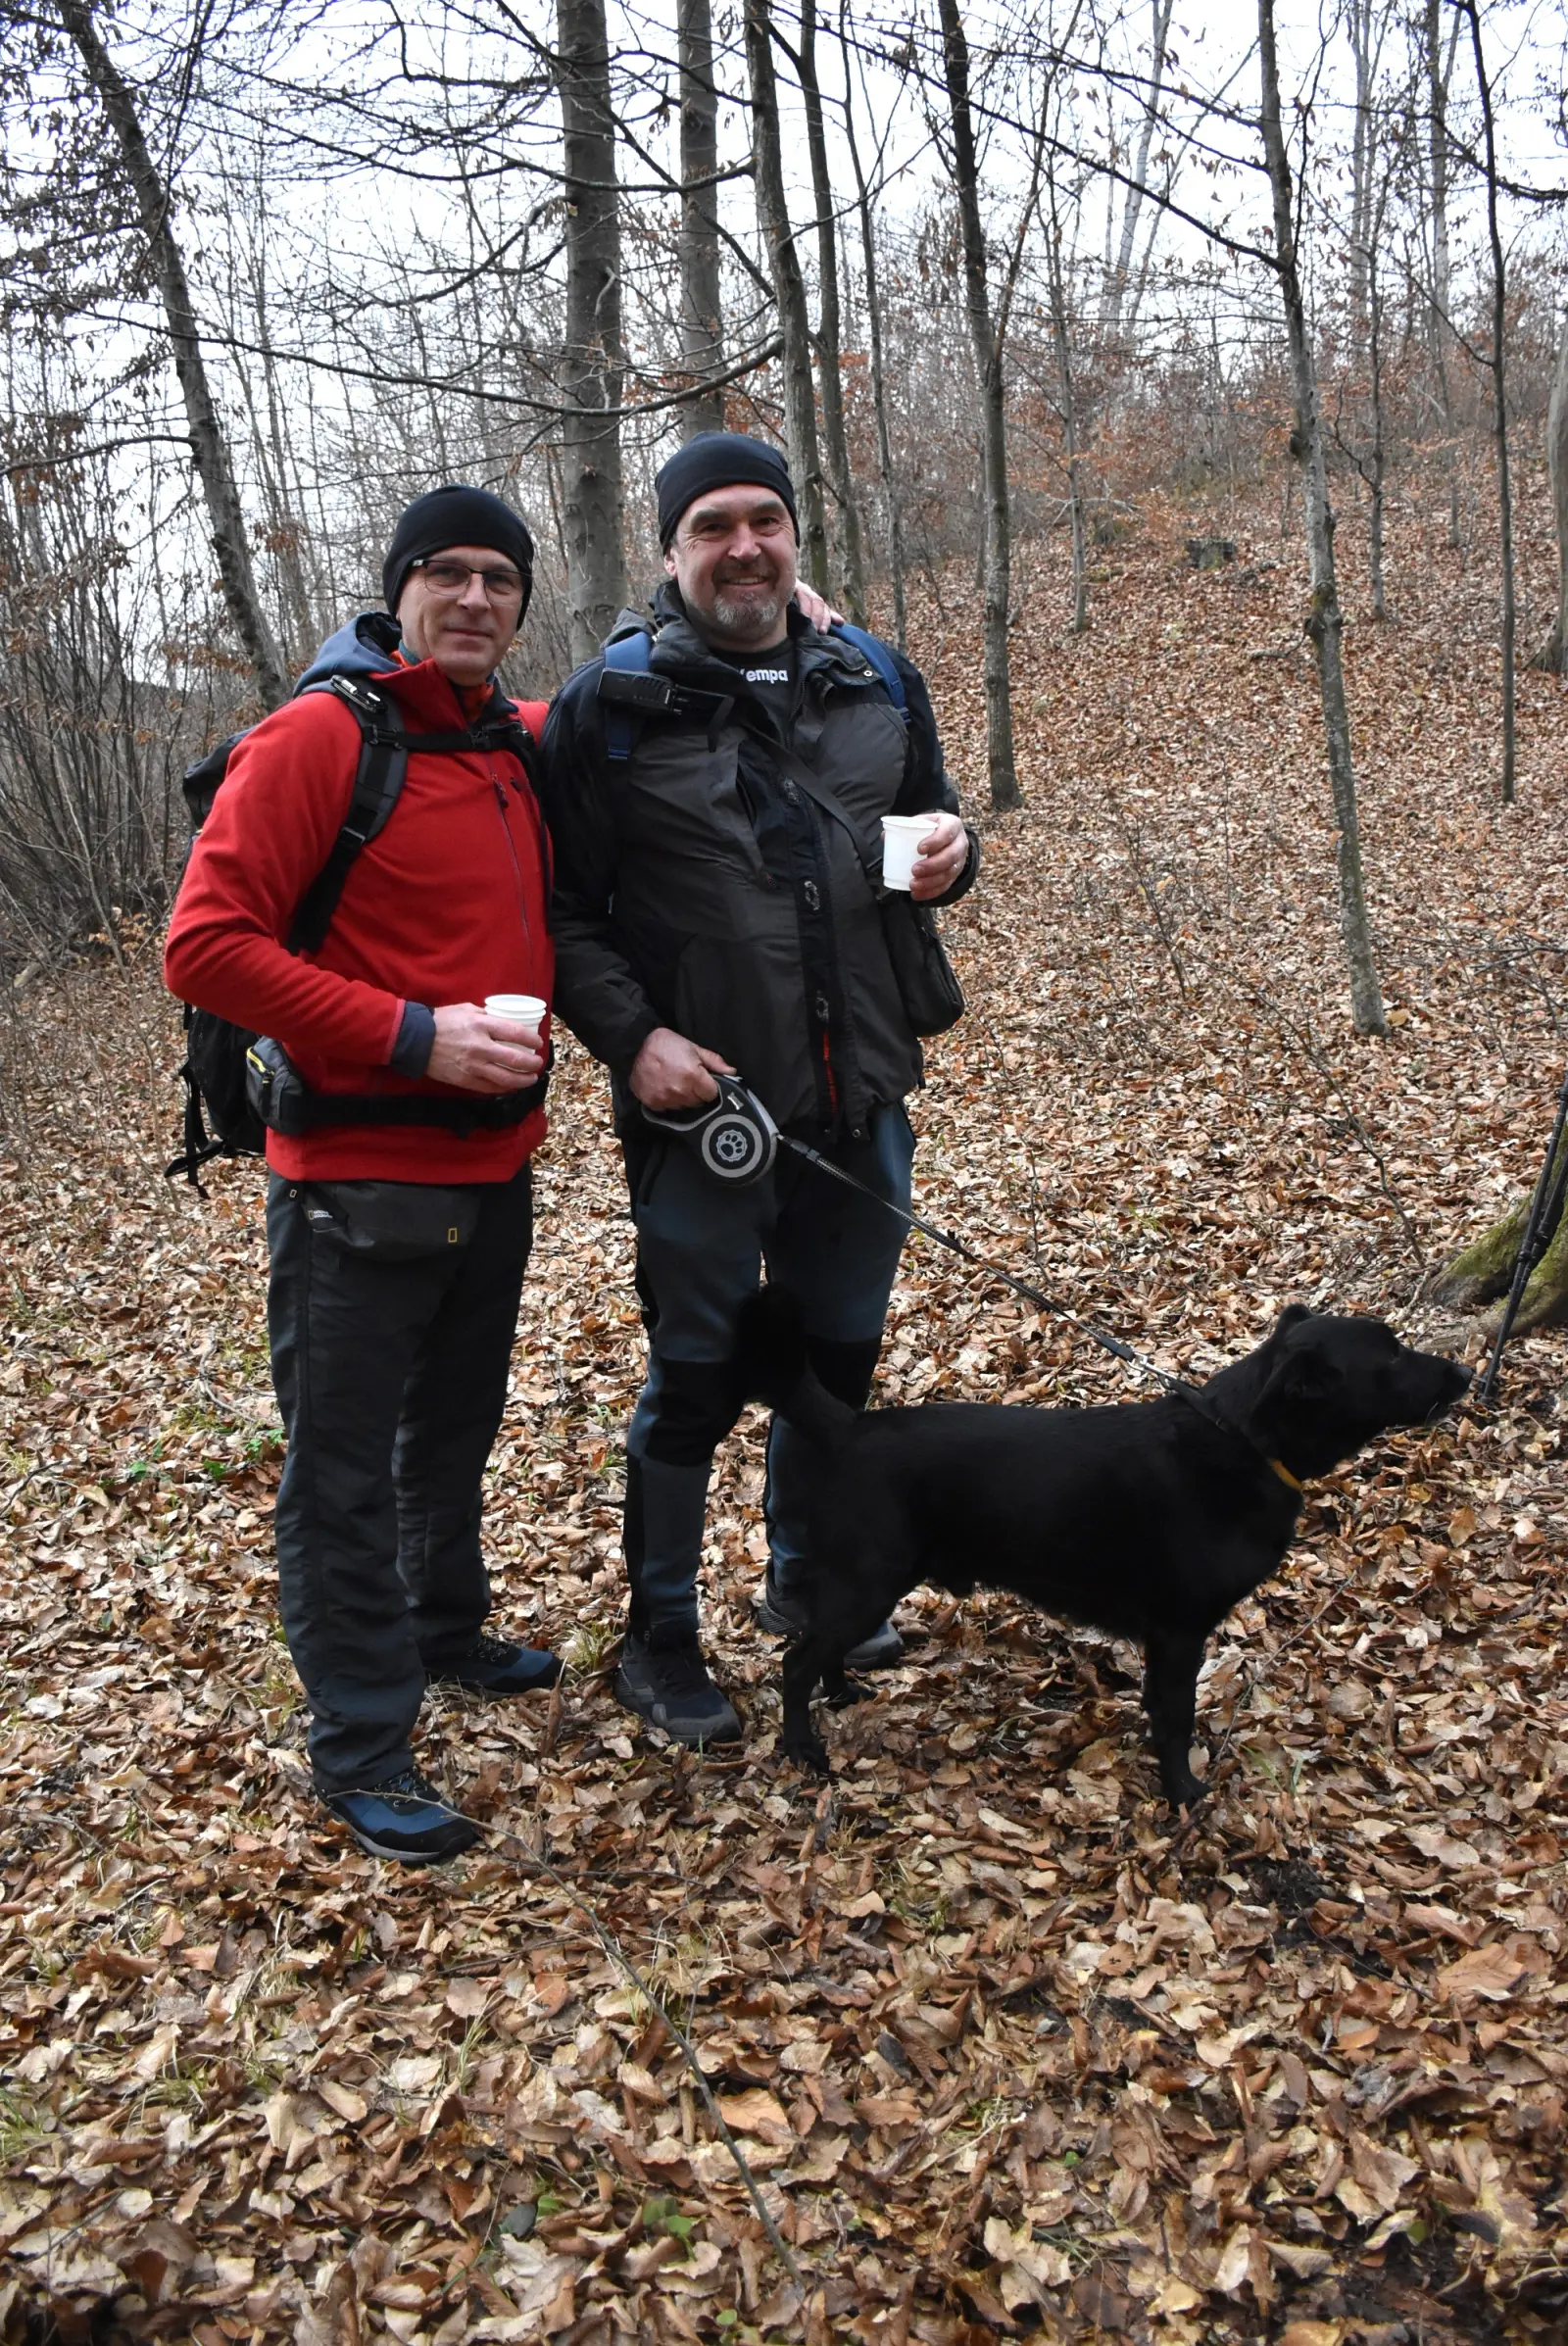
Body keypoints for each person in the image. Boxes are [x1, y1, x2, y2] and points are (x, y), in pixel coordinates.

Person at [538, 432, 977, 1746]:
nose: (744, 546)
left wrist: (957, 855)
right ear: (668, 553)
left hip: (862, 1106)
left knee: (836, 1370)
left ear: (796, 534)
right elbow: (555, 913)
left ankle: (808, 1580)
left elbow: (933, 828)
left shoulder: (873, 675)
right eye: (713, 525)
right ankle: (657, 1638)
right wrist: (634, 1042)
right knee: (697, 1377)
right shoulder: (607, 711)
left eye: (765, 520)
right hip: (707, 1120)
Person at [165, 483, 560, 1864]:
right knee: (338, 1472)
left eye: (497, 578)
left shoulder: (510, 740)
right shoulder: (321, 738)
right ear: (397, 590)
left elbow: (647, 705)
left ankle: (443, 1631)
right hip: (348, 1185)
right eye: (444, 574)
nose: (471, 598)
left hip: (492, 1174)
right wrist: (415, 1035)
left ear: (520, 602)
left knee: (451, 1433)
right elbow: (203, 946)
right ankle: (362, 1742)